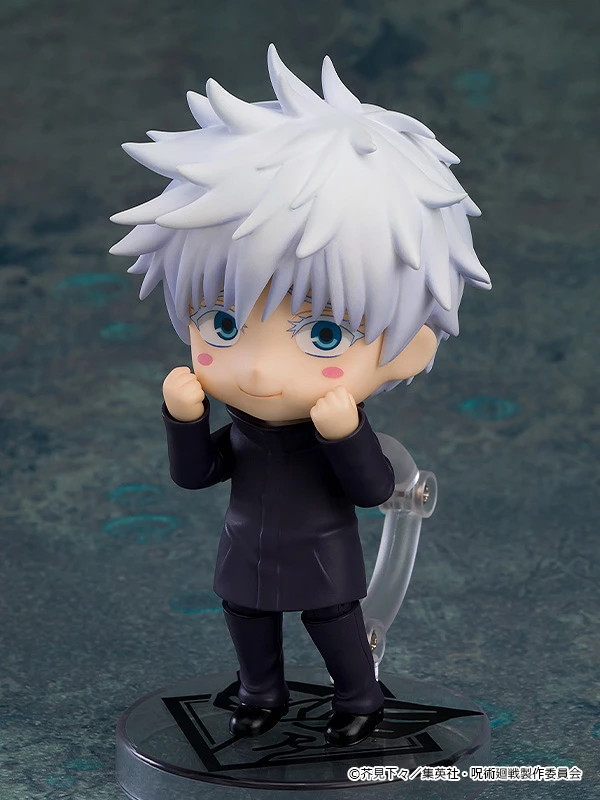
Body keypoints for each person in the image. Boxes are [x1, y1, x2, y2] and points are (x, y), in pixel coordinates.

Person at [110, 44, 490, 747]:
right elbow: (196, 474)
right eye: (222, 324)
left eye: (323, 335)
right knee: (246, 618)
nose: (258, 372)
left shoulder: (332, 421)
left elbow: (372, 490)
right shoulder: (245, 427)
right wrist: (184, 418)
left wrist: (345, 433)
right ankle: (261, 693)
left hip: (322, 552)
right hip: (243, 545)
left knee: (332, 620)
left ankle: (359, 698)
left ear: (410, 348)